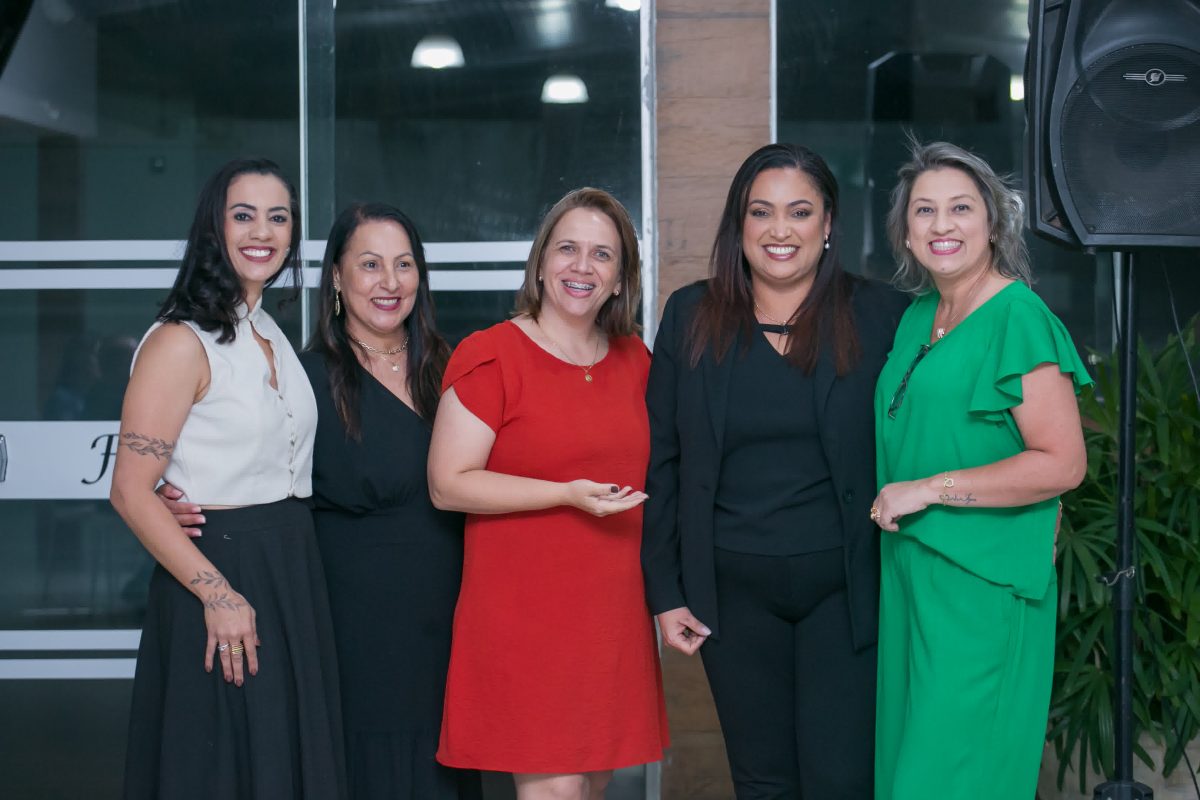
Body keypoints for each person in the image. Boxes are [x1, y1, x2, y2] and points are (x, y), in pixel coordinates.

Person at [160, 202, 483, 800]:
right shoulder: (300, 377)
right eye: (370, 264)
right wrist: (169, 491)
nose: (390, 282)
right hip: (350, 625)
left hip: (453, 620)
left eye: (404, 264)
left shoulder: (456, 368)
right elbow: (233, 455)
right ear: (336, 275)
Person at [641, 142, 909, 798]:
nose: (779, 230)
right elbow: (663, 462)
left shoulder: (882, 314)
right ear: (738, 225)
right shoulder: (690, 315)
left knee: (841, 781)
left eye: (799, 212)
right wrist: (666, 591)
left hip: (847, 590)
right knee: (762, 782)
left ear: (828, 224)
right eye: (761, 212)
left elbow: (939, 424)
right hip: (732, 596)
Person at [110, 157, 346, 799]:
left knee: (282, 763)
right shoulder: (178, 342)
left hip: (289, 565)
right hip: (219, 572)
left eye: (278, 217)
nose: (262, 232)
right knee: (222, 770)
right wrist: (218, 594)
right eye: (244, 215)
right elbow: (129, 489)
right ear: (214, 226)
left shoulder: (267, 329)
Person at [427, 188, 669, 800]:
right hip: (525, 613)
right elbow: (447, 483)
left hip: (611, 612)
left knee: (591, 784)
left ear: (621, 279)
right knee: (557, 789)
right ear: (540, 263)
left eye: (602, 254)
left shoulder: (637, 361)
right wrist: (565, 494)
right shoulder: (490, 354)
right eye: (567, 249)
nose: (581, 267)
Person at [870, 140, 1091, 799]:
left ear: (994, 222)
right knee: (909, 774)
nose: (942, 225)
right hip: (912, 580)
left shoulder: (1018, 316)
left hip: (982, 589)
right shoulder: (919, 316)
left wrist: (928, 490)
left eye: (961, 208)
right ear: (905, 232)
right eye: (925, 210)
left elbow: (1063, 463)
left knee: (952, 780)